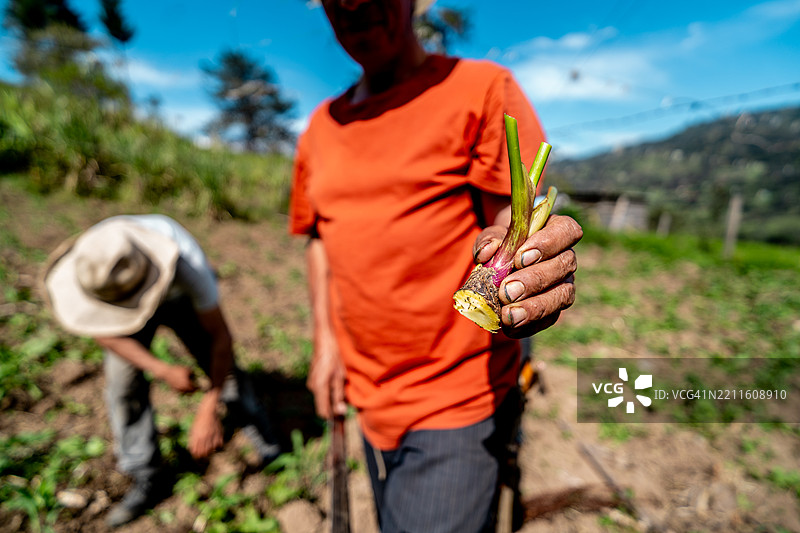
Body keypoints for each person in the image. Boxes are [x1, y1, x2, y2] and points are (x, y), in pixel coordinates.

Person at [289, 0, 583, 531]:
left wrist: (520, 256)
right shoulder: (320, 127)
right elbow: (319, 239)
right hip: (366, 391)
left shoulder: (481, 89)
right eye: (338, 0)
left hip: (456, 396)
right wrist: (326, 344)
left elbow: (510, 216)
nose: (355, 7)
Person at [41, 214, 282, 528]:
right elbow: (104, 333)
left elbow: (221, 338)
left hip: (177, 295)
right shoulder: (93, 268)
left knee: (222, 369)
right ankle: (145, 474)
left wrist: (208, 407)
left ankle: (260, 435)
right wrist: (161, 369)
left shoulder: (187, 264)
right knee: (122, 387)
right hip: (116, 307)